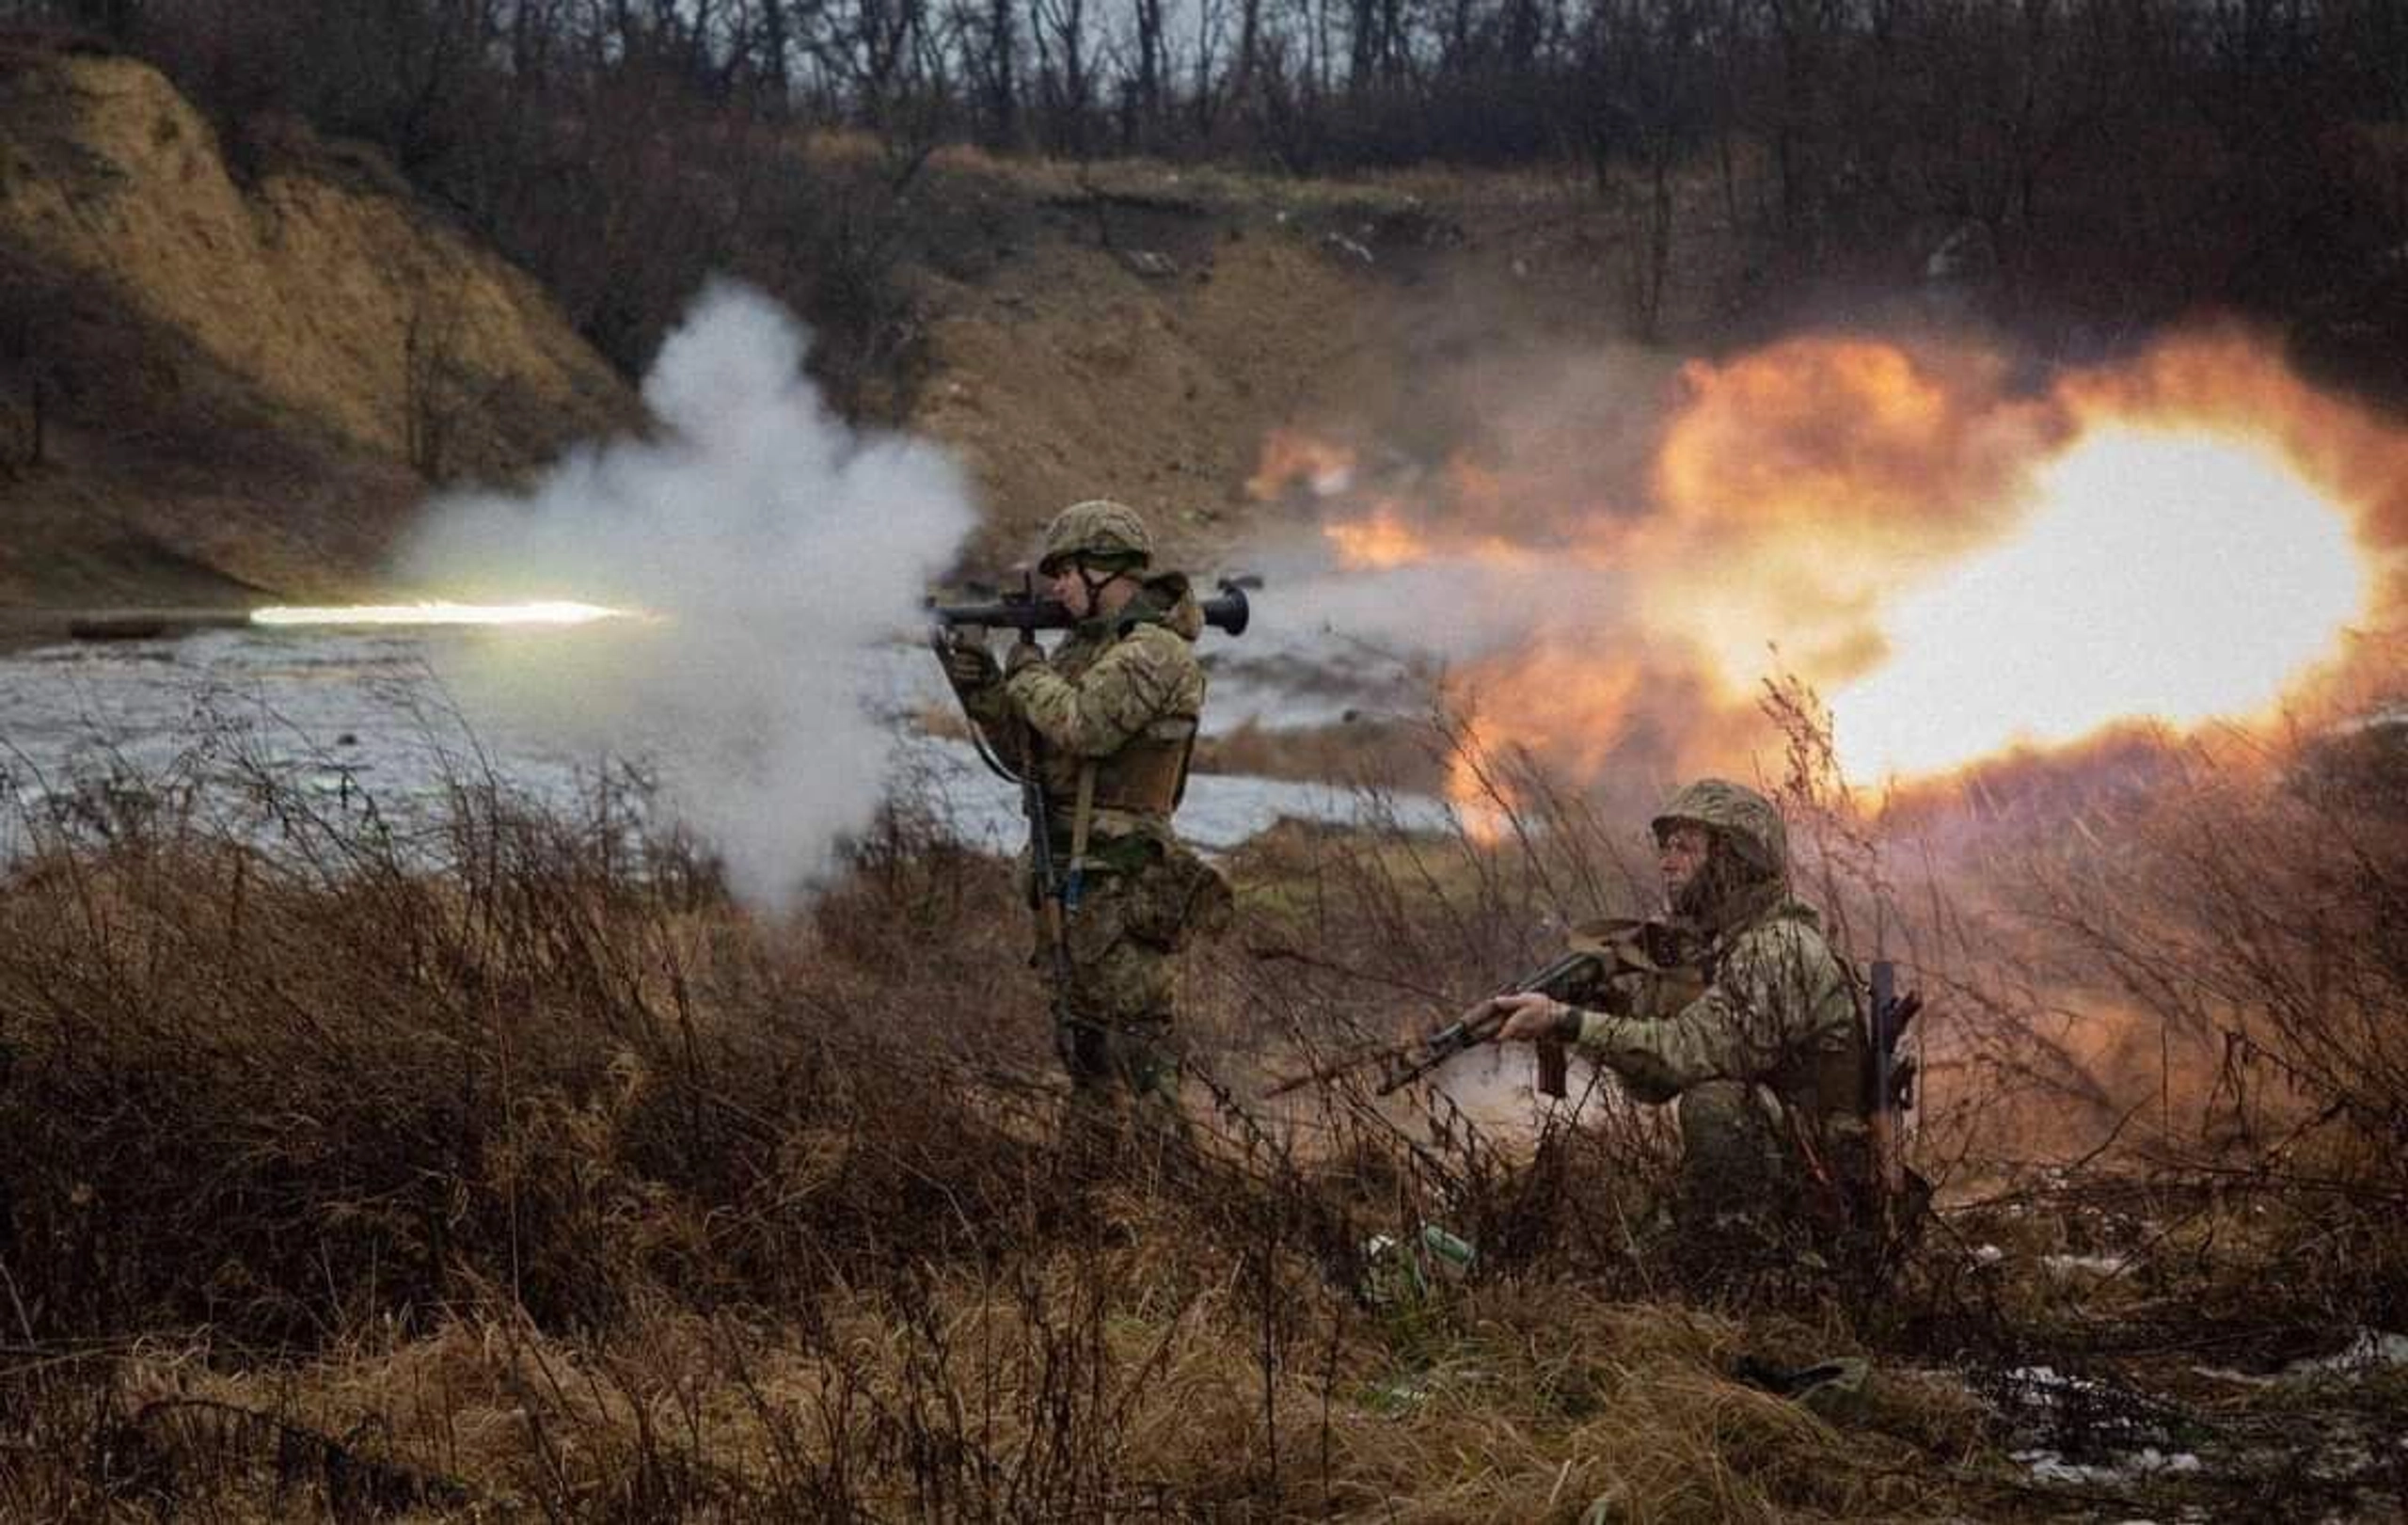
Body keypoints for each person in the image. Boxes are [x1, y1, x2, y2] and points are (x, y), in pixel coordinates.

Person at [1477, 778, 1877, 1280]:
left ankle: (1750, 1272)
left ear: (1735, 859)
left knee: (1716, 1102)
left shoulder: (1779, 947)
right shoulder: (1731, 947)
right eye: (1665, 848)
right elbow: (1652, 1083)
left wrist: (1568, 1022)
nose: (1667, 861)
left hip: (1830, 1183)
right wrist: (1602, 1011)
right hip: (1800, 1162)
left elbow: (1686, 1054)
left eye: (1685, 848)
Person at [938, 500, 1227, 1141]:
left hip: (1123, 886)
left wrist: (1025, 666)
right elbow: (1031, 755)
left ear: (1105, 568)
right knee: (1084, 1051)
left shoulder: (1155, 652)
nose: (1056, 586)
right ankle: (1093, 1192)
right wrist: (981, 685)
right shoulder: (1081, 650)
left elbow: (1084, 726)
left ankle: (1175, 1198)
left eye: (1066, 571)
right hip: (1068, 878)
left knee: (1141, 1054)